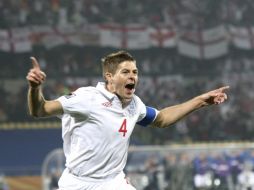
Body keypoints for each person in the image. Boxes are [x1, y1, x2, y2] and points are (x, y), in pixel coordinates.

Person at [26, 50, 229, 190]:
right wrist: (35, 88)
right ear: (110, 77)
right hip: (78, 183)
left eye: (135, 72)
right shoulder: (86, 98)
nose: (132, 76)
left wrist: (201, 101)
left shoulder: (134, 105)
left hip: (113, 183)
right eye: (125, 72)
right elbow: (40, 109)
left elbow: (163, 118)